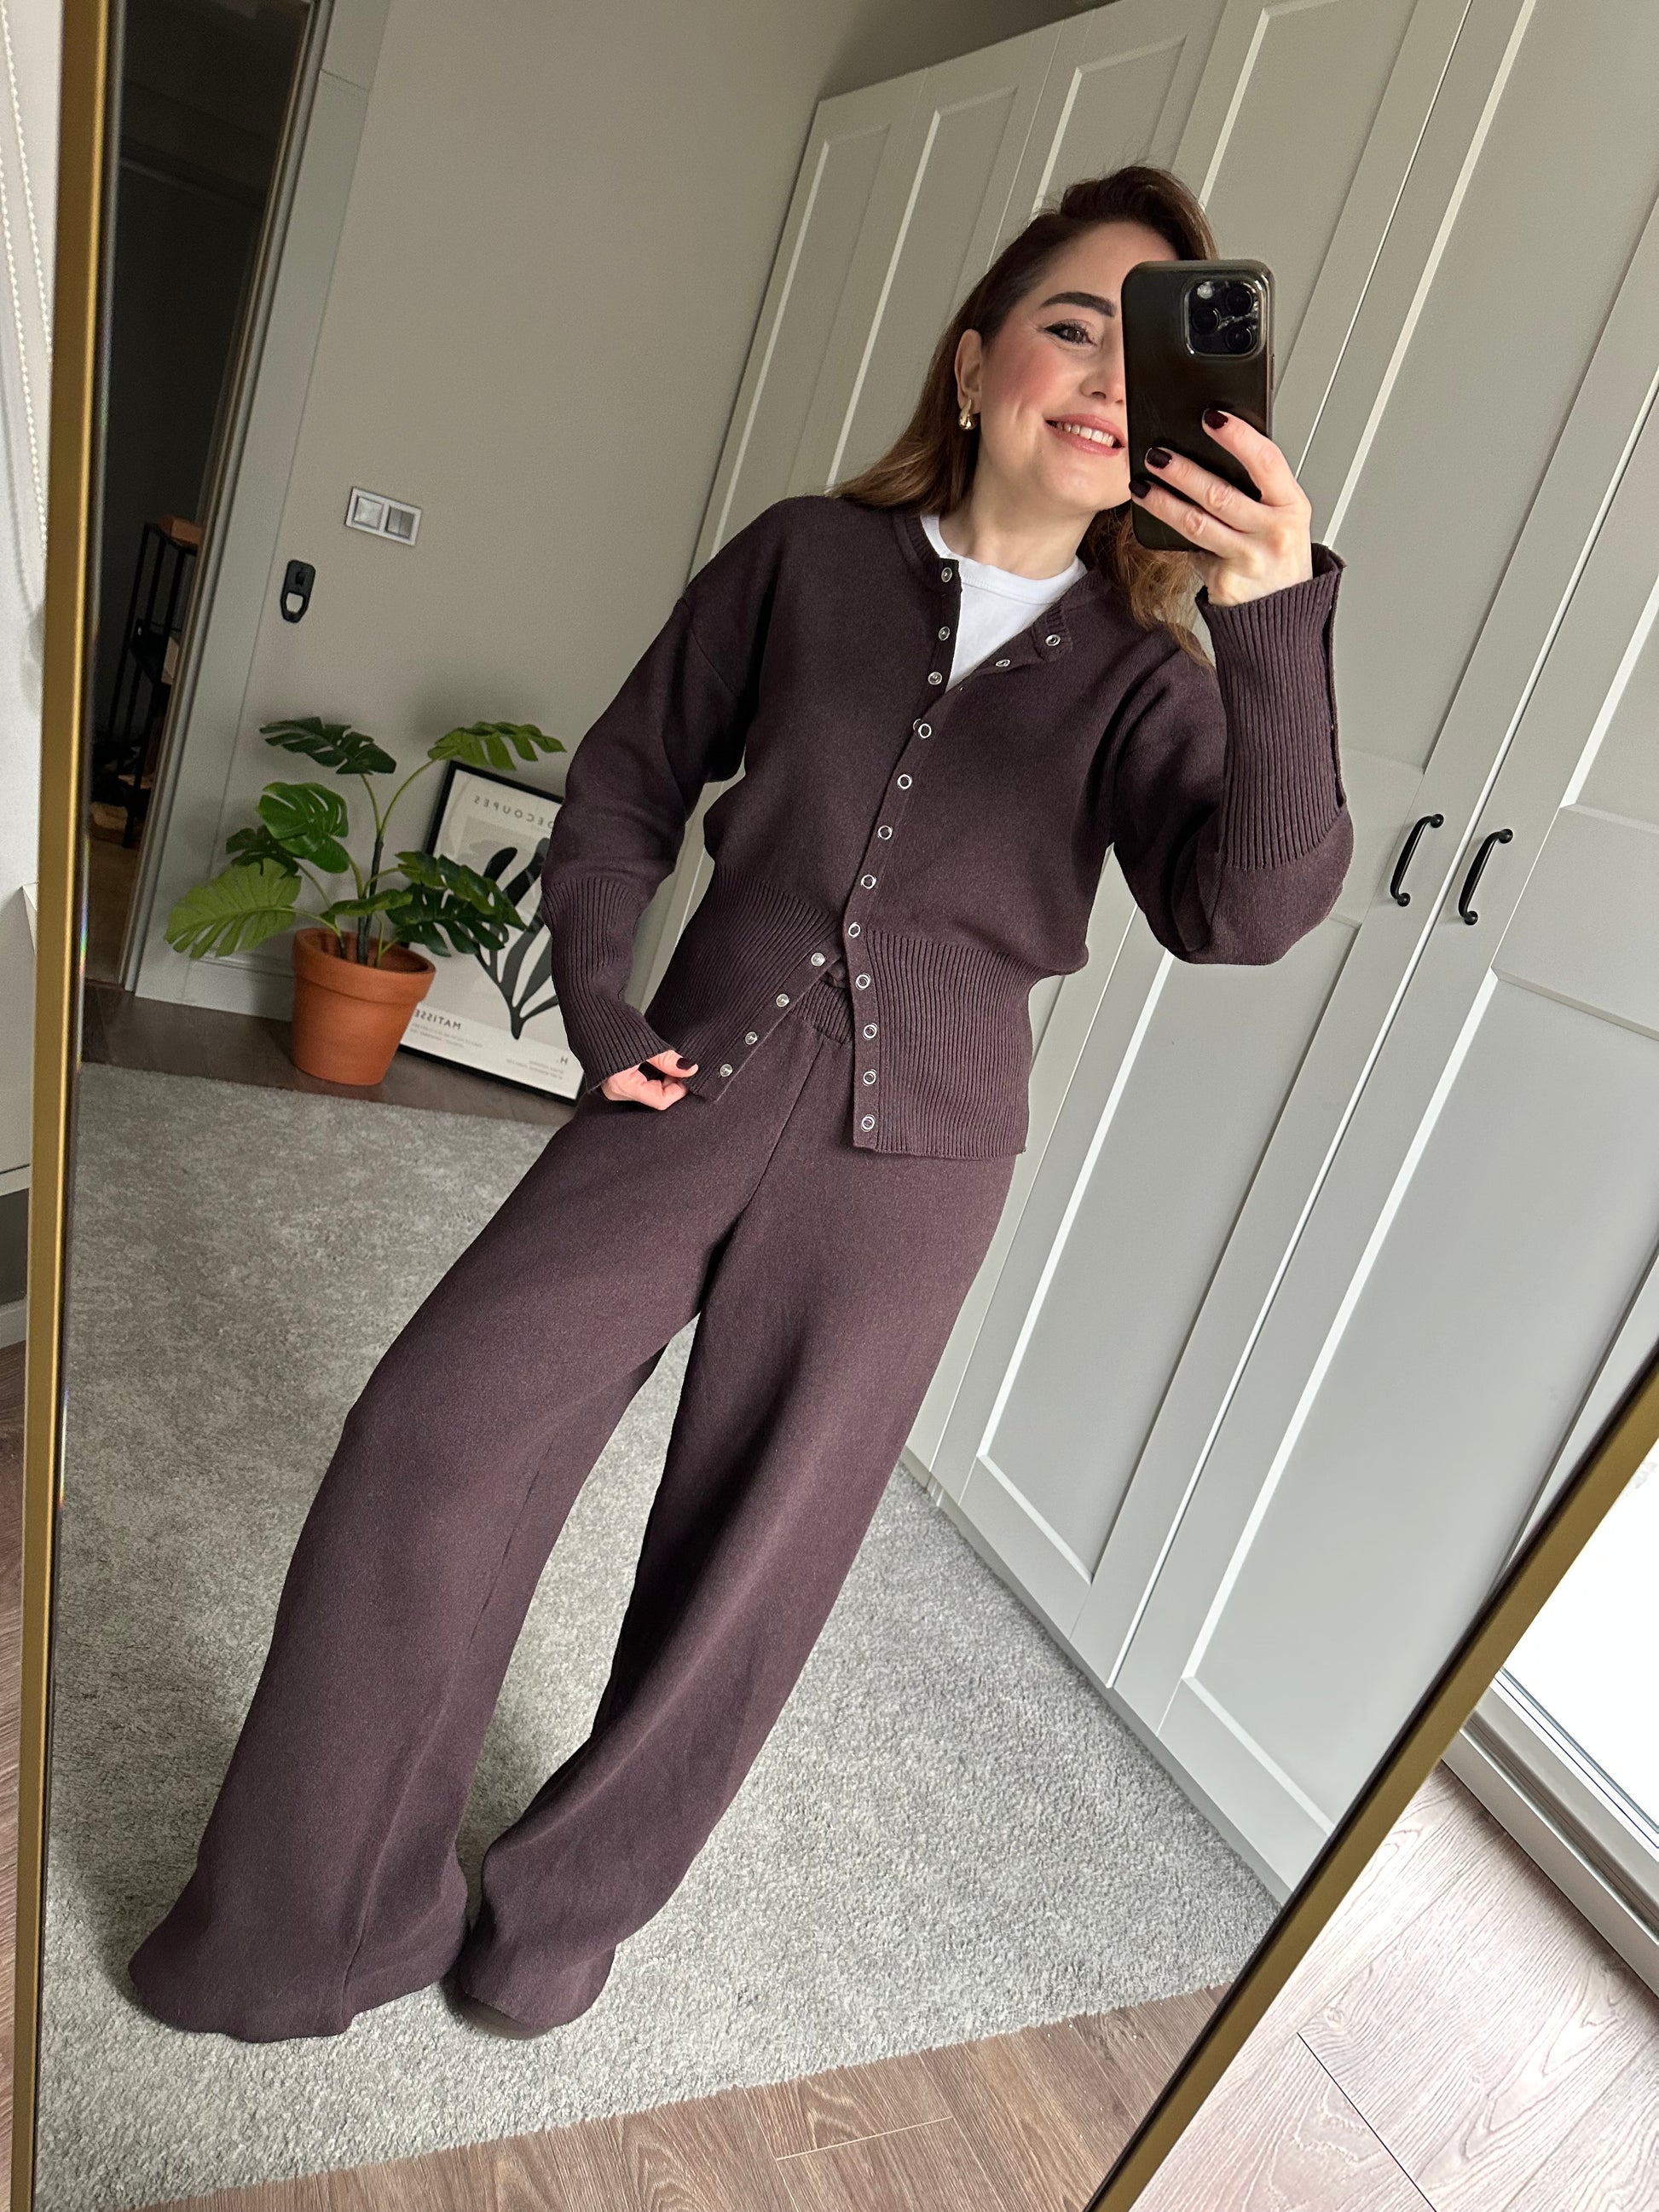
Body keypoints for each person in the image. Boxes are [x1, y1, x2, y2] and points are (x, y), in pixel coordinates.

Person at [129, 165, 1351, 2042]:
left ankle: (558, 1919)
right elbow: (628, 777)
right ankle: (320, 1920)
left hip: (914, 1165)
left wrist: (1273, 626)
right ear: (975, 365)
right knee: (432, 1438)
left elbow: (1244, 912)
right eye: (1072, 326)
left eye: (1155, 353)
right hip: (685, 1079)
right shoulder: (803, 559)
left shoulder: (1152, 683)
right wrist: (602, 1001)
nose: (1112, 379)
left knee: (747, 1569)